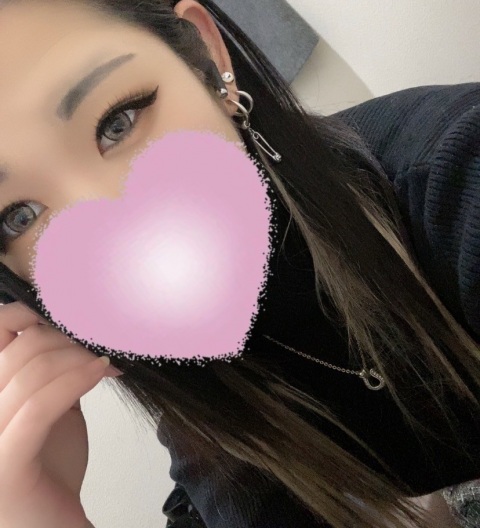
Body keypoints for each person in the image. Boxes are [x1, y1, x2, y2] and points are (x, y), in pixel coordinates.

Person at [0, 1, 478, 527]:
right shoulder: (208, 438)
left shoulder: (450, 175)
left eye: (118, 122)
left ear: (208, 57)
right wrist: (47, 514)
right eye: (18, 217)